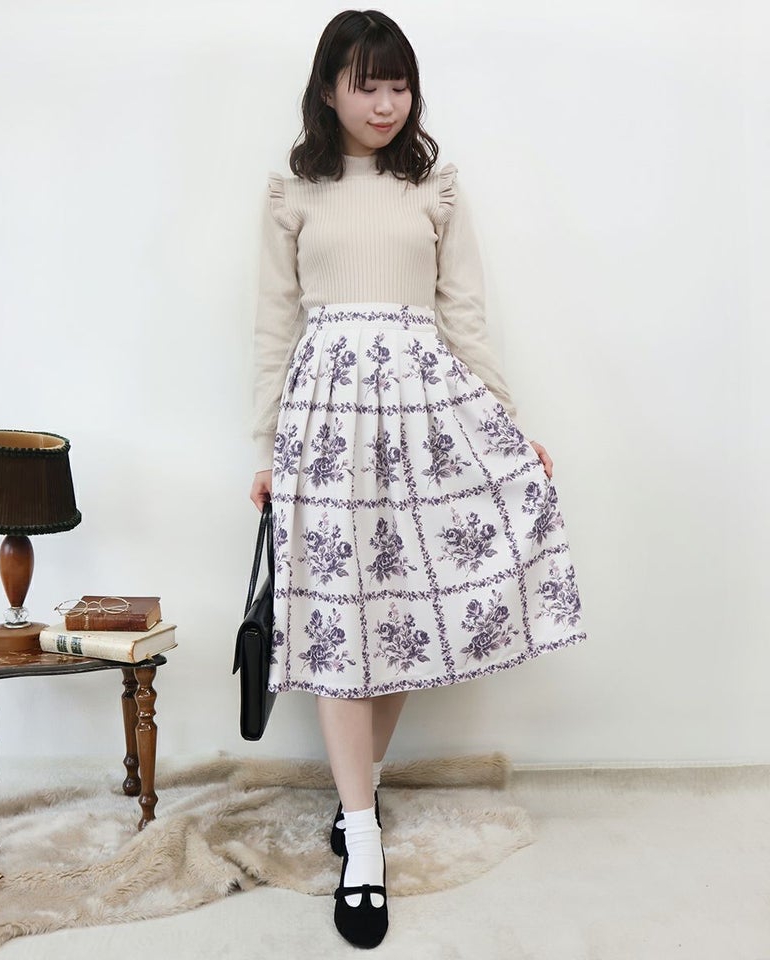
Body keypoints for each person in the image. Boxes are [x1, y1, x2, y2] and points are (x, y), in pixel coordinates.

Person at [248, 9, 585, 949]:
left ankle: (356, 798)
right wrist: (265, 449)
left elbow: (464, 313)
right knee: (338, 620)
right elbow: (275, 325)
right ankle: (361, 841)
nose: (386, 103)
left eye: (399, 85)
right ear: (328, 90)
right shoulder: (292, 191)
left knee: (393, 615)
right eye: (367, 85)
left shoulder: (434, 186)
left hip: (425, 419)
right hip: (325, 425)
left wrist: (506, 426)